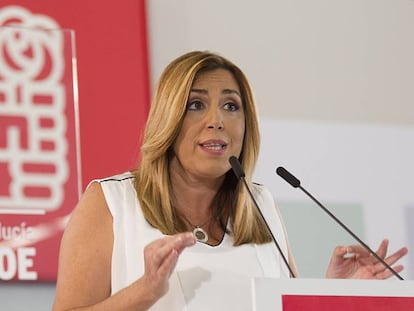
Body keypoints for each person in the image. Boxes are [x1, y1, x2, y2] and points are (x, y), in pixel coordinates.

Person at [53, 51, 408, 311]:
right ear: (168, 119)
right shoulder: (112, 203)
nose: (217, 120)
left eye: (231, 106)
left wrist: (333, 295)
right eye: (196, 105)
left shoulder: (260, 206)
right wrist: (143, 292)